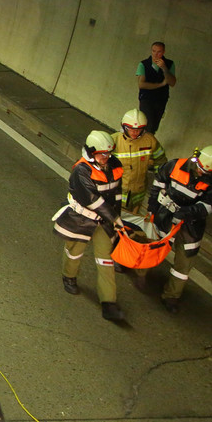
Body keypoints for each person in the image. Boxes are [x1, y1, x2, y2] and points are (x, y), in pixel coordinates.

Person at [52, 130, 127, 321]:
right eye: (102, 154)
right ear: (92, 152)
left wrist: (117, 217)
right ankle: (69, 276)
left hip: (105, 220)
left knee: (106, 260)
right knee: (74, 252)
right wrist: (115, 219)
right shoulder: (81, 171)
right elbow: (93, 200)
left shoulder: (115, 166)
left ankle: (109, 303)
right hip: (81, 218)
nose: (106, 157)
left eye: (108, 153)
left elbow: (117, 194)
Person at [148, 146, 212, 313]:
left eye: (206, 172)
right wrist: (152, 206)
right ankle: (140, 274)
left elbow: (208, 206)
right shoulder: (175, 165)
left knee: (184, 263)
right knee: (152, 247)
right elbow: (159, 182)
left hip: (190, 226)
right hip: (165, 216)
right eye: (200, 167)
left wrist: (186, 212)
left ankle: (171, 296)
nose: (201, 172)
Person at [111, 109, 166, 214]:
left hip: (139, 192)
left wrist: (159, 183)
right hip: (118, 191)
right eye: (130, 129)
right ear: (124, 127)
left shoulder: (150, 141)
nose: (134, 132)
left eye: (138, 129)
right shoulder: (114, 140)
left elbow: (161, 161)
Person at [136, 42, 176, 134]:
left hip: (161, 98)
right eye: (153, 51)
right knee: (147, 123)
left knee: (154, 125)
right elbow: (141, 84)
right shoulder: (144, 64)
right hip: (146, 98)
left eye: (159, 52)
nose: (155, 54)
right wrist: (161, 84)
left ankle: (149, 140)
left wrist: (164, 68)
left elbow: (172, 82)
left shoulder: (169, 64)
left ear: (163, 52)